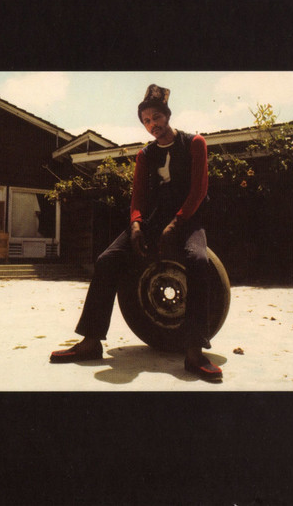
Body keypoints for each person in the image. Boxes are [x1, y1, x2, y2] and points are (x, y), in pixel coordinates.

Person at [50, 84, 222, 382]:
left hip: (188, 220)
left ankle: (194, 351)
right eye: (146, 121)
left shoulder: (194, 143)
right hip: (153, 222)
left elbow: (199, 191)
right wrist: (136, 224)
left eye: (157, 117)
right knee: (107, 260)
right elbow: (138, 198)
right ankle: (91, 341)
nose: (153, 125)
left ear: (167, 115)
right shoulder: (145, 155)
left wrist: (177, 223)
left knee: (197, 261)